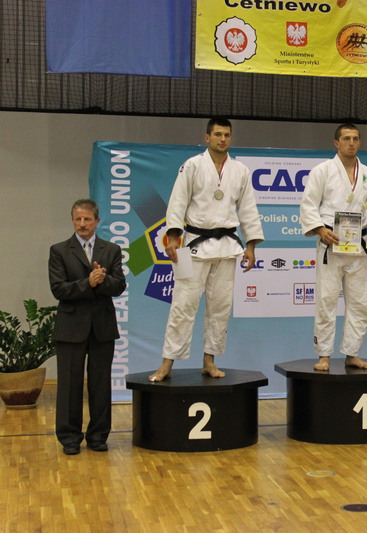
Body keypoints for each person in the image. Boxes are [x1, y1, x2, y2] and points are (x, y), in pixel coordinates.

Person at [149, 118, 264, 382]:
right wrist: (173, 237)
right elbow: (178, 202)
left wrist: (250, 245)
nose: (222, 139)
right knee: (182, 305)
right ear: (207, 137)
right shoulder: (192, 165)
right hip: (193, 244)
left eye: (227, 135)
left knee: (220, 307)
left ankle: (209, 360)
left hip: (227, 246)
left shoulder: (240, 170)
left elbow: (248, 208)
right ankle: (167, 362)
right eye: (218, 134)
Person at [299, 123, 367, 371]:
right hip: (331, 243)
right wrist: (320, 229)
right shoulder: (322, 171)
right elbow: (308, 205)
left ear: (359, 142)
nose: (351, 143)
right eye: (346, 138)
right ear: (336, 143)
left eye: (355, 138)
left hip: (358, 245)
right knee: (326, 301)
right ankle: (324, 355)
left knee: (360, 303)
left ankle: (352, 353)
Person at [49, 199, 127, 455]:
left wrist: (102, 281)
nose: (82, 224)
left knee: (100, 384)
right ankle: (69, 438)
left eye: (87, 219)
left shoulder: (111, 250)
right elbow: (59, 289)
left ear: (97, 221)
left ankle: (98, 436)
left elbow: (119, 286)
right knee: (69, 386)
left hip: (102, 327)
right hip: (70, 328)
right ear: (72, 221)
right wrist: (89, 283)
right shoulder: (59, 250)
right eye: (78, 219)